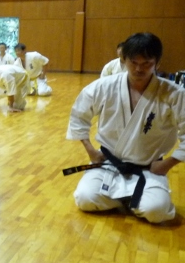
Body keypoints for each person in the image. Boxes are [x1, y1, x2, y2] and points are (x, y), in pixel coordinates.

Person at [66, 32, 185, 224]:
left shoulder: (174, 94)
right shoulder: (104, 87)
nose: (139, 69)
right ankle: (130, 200)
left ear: (157, 63)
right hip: (109, 164)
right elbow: (79, 116)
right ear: (123, 60)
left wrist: (167, 164)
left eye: (146, 63)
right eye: (133, 62)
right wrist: (91, 151)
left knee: (157, 211)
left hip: (148, 168)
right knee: (85, 199)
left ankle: (129, 198)